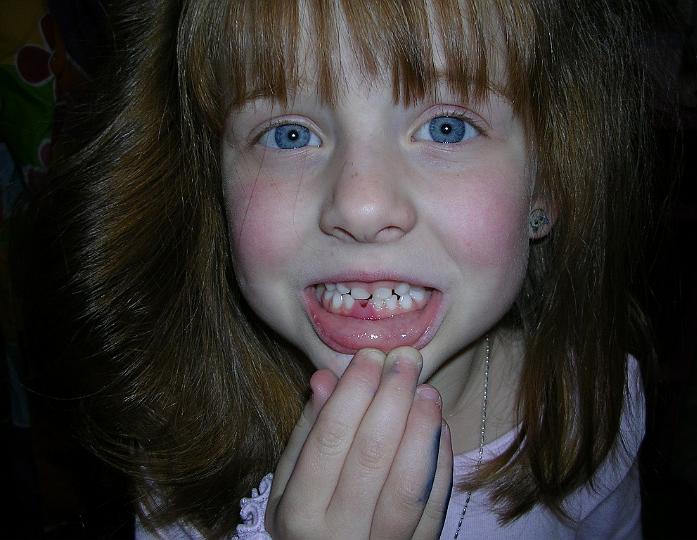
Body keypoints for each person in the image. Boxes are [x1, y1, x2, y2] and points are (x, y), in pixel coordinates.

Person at [44, 0, 652, 538]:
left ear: (545, 189)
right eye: (287, 134)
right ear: (213, 193)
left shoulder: (591, 404)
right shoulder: (184, 442)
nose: (360, 207)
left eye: (448, 126)